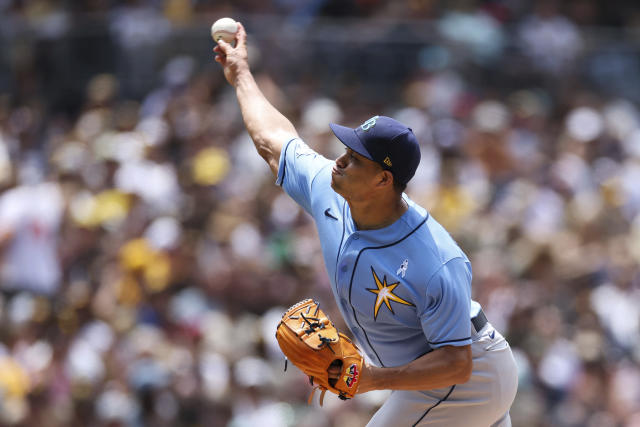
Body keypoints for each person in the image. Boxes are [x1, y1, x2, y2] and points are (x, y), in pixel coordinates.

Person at [214, 23, 518, 426]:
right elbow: (272, 139)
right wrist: (242, 76)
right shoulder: (329, 189)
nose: (340, 160)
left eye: (355, 158)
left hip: (468, 377)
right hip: (445, 377)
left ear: (383, 179)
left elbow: (456, 364)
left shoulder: (436, 260)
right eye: (346, 149)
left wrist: (373, 380)